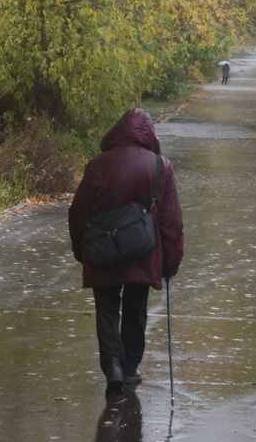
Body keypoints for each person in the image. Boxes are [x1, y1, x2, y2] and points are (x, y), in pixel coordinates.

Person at [69, 108, 184, 399]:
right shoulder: (160, 166)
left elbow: (79, 212)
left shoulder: (97, 165)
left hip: (103, 250)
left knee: (107, 311)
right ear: (149, 134)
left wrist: (81, 249)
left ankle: (113, 367)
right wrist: (171, 261)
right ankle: (130, 367)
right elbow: (171, 220)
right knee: (136, 309)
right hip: (143, 251)